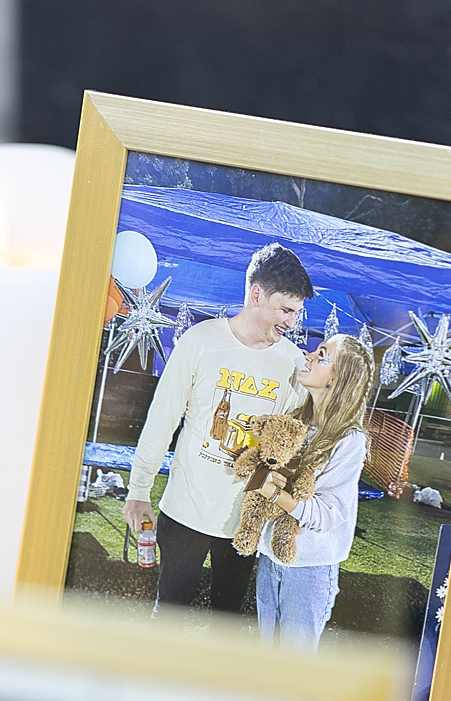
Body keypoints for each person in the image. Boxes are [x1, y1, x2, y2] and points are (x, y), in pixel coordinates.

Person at [123, 243, 314, 615]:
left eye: (296, 313)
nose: (291, 322)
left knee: (226, 621)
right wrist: (138, 489)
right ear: (256, 295)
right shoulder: (200, 342)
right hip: (185, 511)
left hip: (246, 520)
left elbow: (292, 447)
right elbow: (162, 419)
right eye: (285, 310)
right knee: (170, 615)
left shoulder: (293, 362)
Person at [250, 333, 375, 651]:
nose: (308, 355)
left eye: (322, 354)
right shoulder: (295, 421)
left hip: (309, 570)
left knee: (295, 672)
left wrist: (277, 495)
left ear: (339, 379)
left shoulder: (349, 439)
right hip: (270, 556)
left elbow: (329, 513)